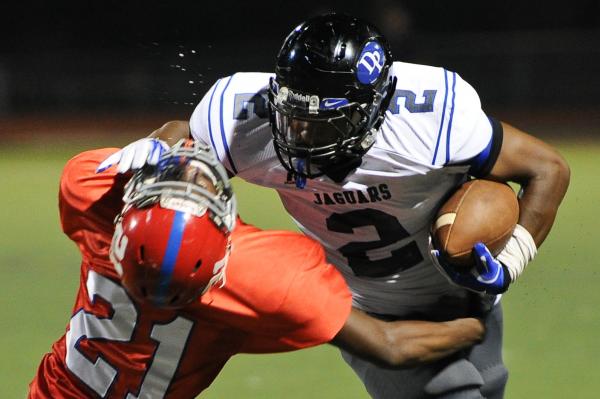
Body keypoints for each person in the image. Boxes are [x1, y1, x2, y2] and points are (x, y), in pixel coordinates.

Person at [105, 13, 570, 398]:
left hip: (463, 291)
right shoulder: (241, 119)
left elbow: (547, 168)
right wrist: (161, 152)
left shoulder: (431, 119)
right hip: (366, 305)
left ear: (373, 109)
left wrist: (509, 260)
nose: (302, 135)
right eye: (293, 115)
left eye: (324, 122)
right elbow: (184, 142)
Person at [29, 139, 485, 398]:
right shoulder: (263, 275)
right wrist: (475, 321)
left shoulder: (92, 198)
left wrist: (150, 146)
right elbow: (390, 346)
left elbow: (85, 174)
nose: (193, 173)